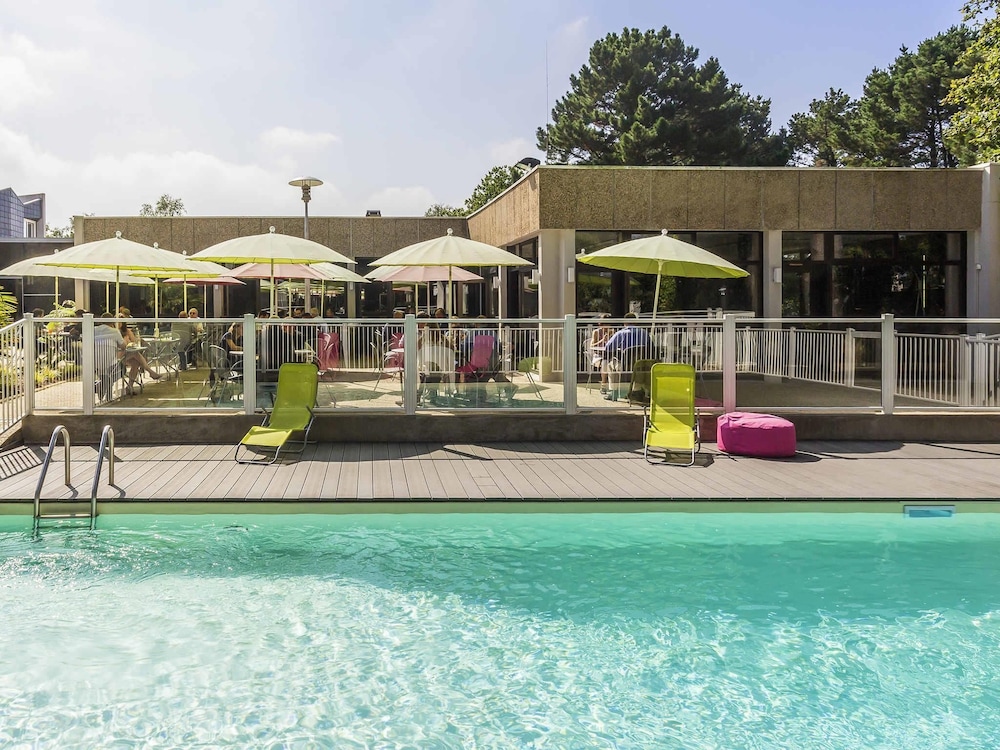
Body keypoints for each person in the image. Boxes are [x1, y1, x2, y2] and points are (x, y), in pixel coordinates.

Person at [602, 313, 653, 401]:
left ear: (624, 322)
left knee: (610, 365)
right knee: (635, 370)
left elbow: (608, 347)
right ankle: (636, 391)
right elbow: (650, 346)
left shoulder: (620, 333)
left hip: (625, 365)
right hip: (641, 365)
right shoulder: (644, 333)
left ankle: (614, 392)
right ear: (636, 322)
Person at [118, 320, 162, 395]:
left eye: (120, 322)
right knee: (135, 353)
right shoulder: (115, 332)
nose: (118, 323)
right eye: (117, 321)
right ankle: (150, 371)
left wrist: (130, 340)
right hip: (117, 356)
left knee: (136, 363)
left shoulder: (127, 331)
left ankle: (130, 386)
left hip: (126, 355)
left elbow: (134, 342)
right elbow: (121, 346)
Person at [589, 313, 614, 394]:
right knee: (605, 363)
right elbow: (592, 345)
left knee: (614, 363)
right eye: (605, 324)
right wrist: (602, 340)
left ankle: (614, 387)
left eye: (608, 324)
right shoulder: (596, 332)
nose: (607, 326)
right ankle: (603, 386)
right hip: (598, 355)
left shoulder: (612, 331)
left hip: (610, 354)